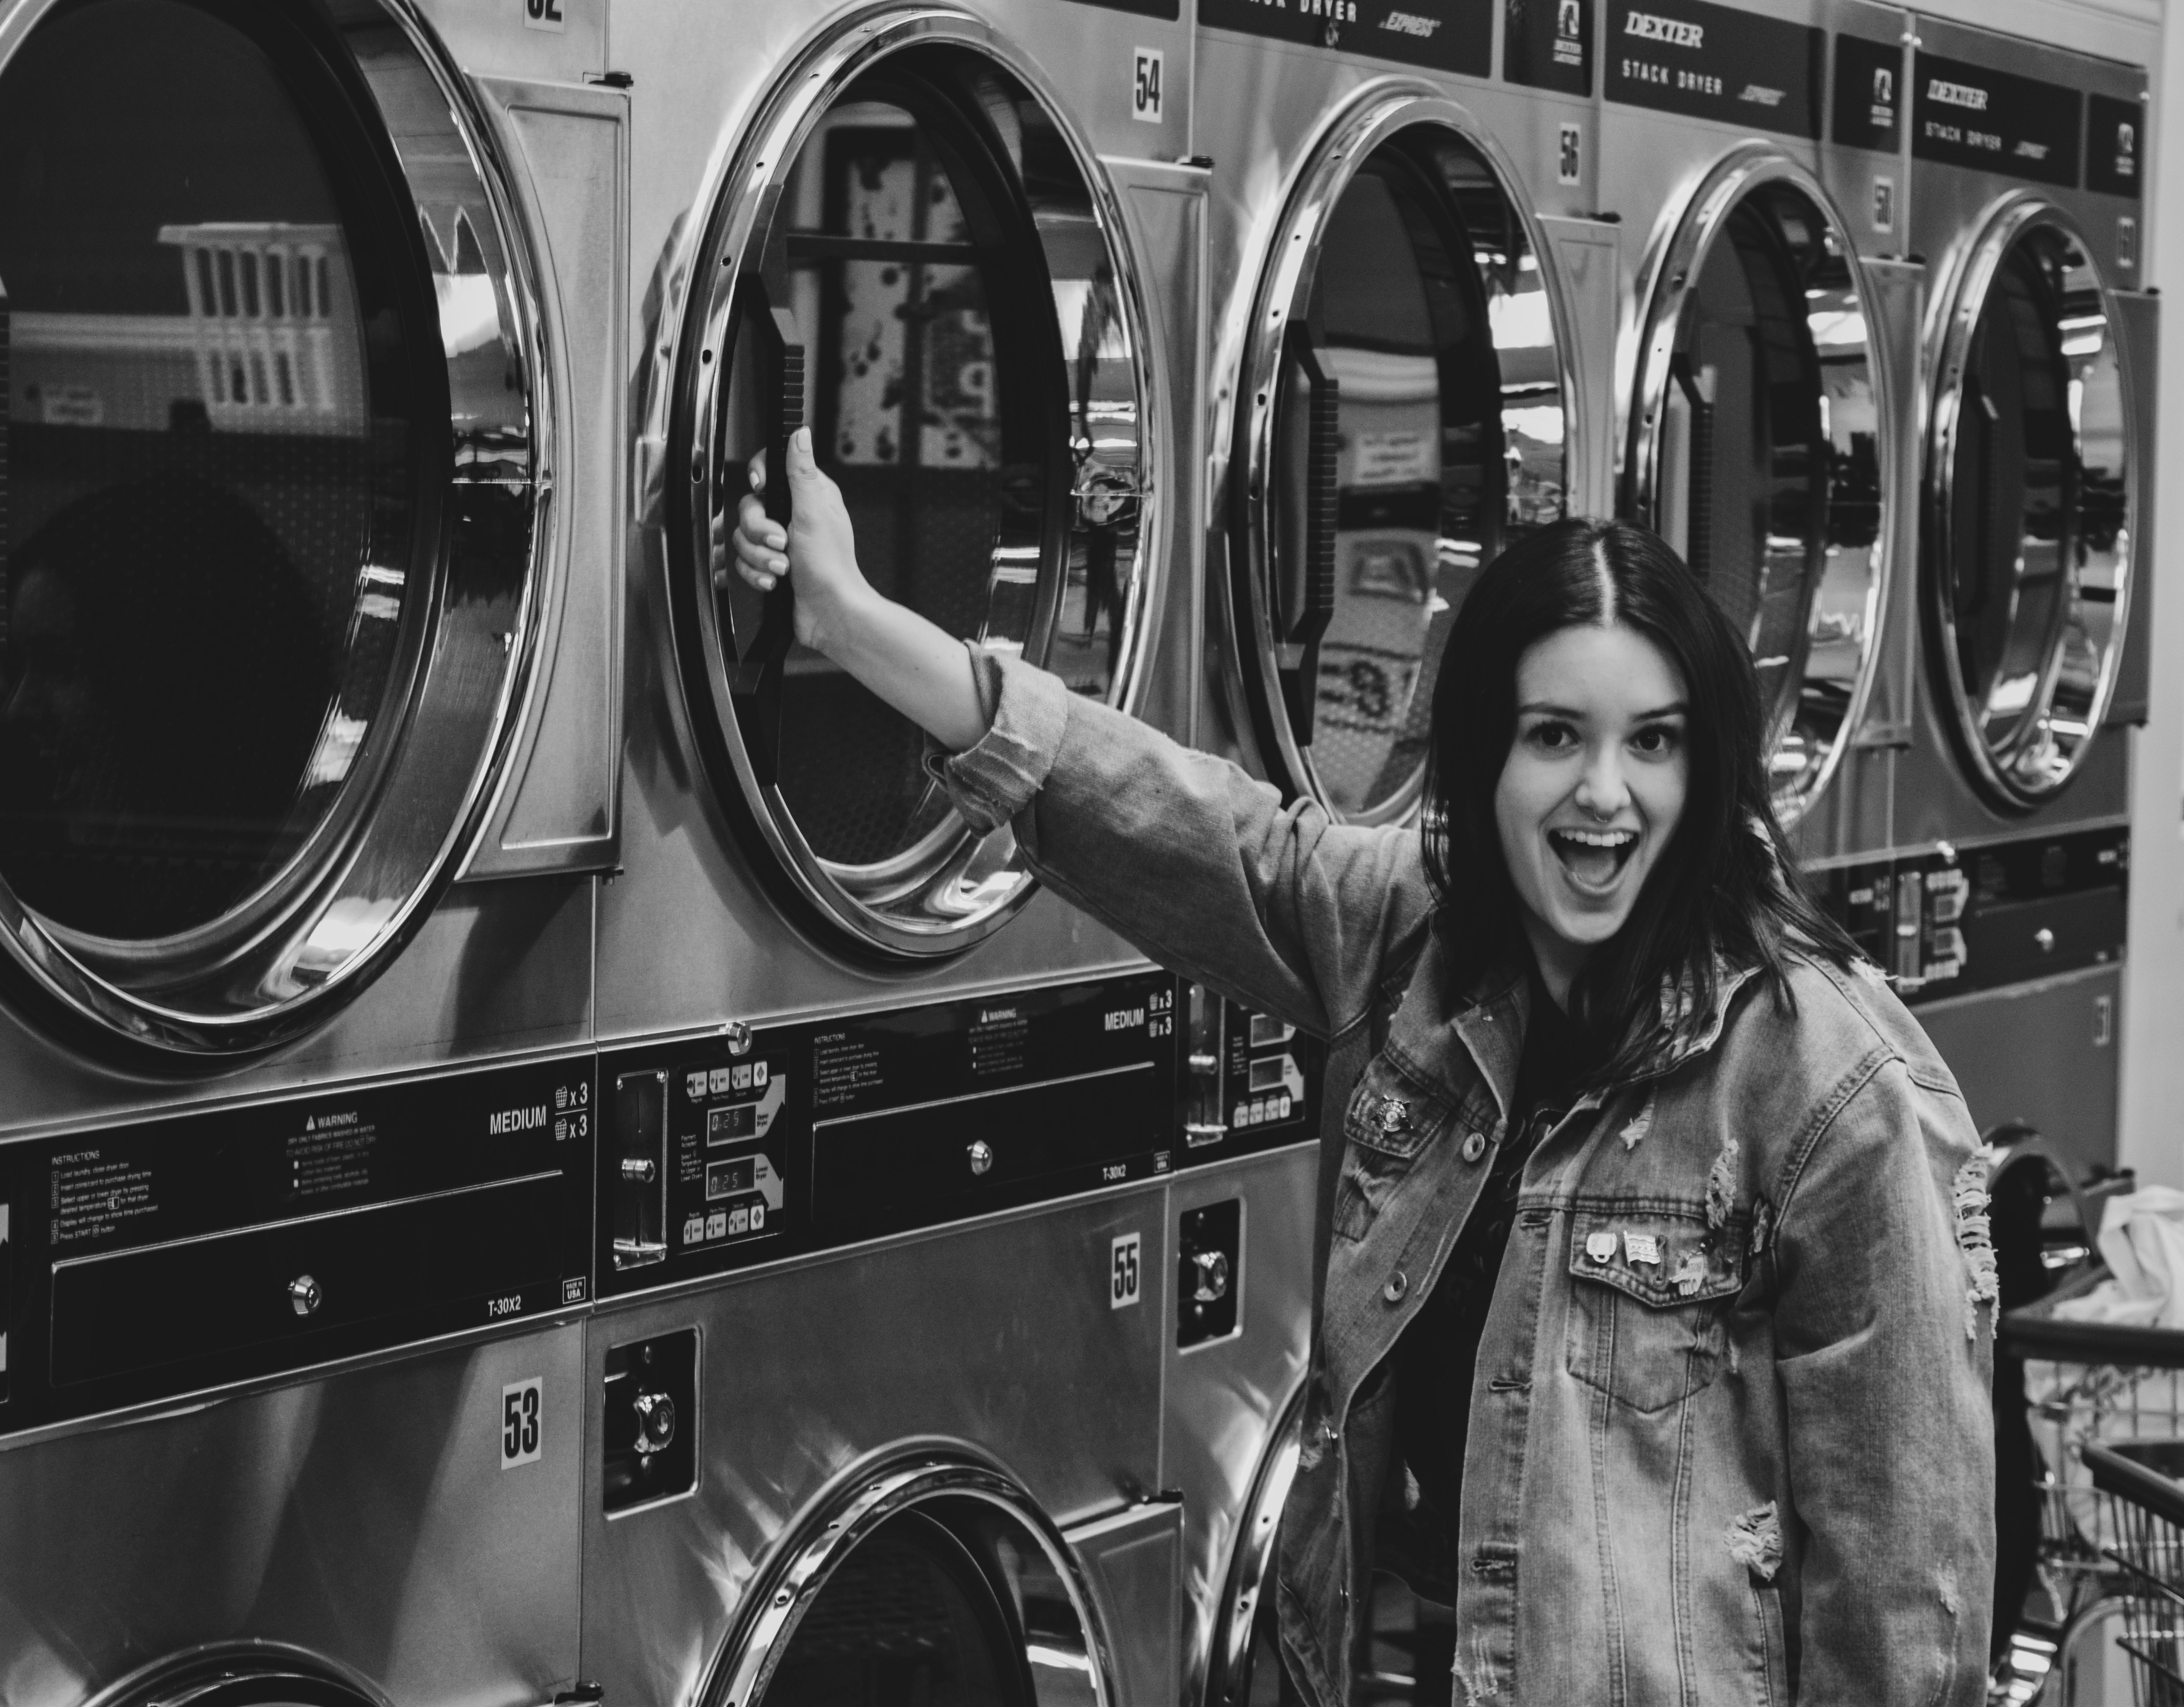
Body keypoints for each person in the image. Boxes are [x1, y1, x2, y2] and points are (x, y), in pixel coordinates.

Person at [733, 428, 1996, 1705]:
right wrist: (849, 623)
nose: (1603, 794)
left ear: (1710, 764)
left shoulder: (1832, 1087)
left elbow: (1905, 1604)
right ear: (1481, 756)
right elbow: (1169, 817)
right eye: (1554, 736)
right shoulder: (1417, 942)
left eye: (1652, 743)